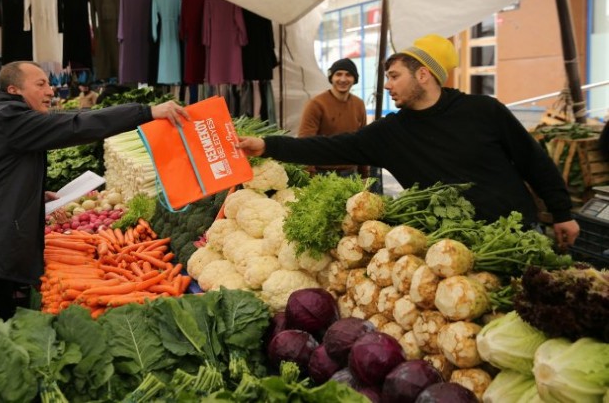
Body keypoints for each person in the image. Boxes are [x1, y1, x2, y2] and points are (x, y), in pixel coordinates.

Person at [0, 61, 188, 347]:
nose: (50, 91)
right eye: (40, 84)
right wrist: (145, 112)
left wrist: (28, 191)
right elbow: (74, 124)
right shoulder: (10, 118)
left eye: (49, 83)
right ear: (13, 89)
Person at [238, 34, 580, 247]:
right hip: (456, 247)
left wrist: (561, 212)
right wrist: (268, 145)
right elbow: (328, 146)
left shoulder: (483, 110)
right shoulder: (391, 133)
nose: (387, 85)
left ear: (423, 74)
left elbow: (531, 158)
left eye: (394, 76)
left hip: (519, 234)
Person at [298, 57, 368, 178]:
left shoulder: (359, 104)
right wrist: (309, 175)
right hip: (322, 173)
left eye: (348, 75)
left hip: (350, 173)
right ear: (331, 78)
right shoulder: (316, 104)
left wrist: (364, 175)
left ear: (354, 79)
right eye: (338, 74)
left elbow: (363, 142)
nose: (343, 79)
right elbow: (304, 143)